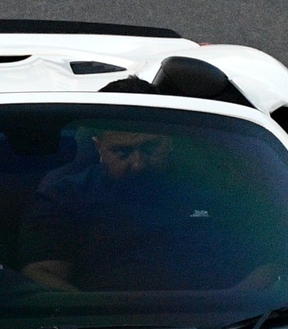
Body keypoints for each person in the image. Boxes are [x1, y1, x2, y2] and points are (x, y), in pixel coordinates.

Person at [18, 124, 223, 292]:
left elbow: (252, 268)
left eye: (149, 148)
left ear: (168, 140)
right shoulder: (66, 197)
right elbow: (42, 273)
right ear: (99, 147)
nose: (138, 164)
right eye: (121, 151)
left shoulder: (209, 192)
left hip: (212, 325)